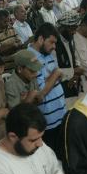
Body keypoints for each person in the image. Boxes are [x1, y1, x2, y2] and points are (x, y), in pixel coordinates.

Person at [28, 23, 66, 152]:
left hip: (60, 115)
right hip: (48, 123)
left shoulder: (47, 54)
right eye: (51, 42)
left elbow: (58, 77)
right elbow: (40, 93)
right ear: (40, 39)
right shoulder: (30, 59)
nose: (54, 47)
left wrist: (52, 77)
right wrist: (54, 75)